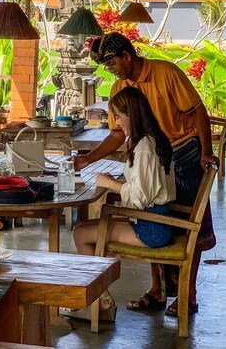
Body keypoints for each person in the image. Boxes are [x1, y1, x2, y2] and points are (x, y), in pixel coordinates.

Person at [73, 32, 217, 318]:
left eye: (112, 62)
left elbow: (198, 110)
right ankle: (158, 290)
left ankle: (188, 295)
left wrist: (205, 152)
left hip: (184, 150)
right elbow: (117, 134)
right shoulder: (118, 90)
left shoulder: (165, 72)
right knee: (154, 212)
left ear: (127, 55)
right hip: (155, 150)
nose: (109, 69)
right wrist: (88, 158)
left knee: (191, 227)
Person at [73, 87, 177, 319]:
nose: (117, 122)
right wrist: (117, 182)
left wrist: (110, 184)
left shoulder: (144, 149)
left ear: (132, 115)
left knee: (81, 235)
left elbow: (140, 197)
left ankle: (102, 301)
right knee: (83, 229)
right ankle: (100, 298)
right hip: (153, 220)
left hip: (151, 228)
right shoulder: (152, 141)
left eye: (118, 116)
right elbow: (146, 186)